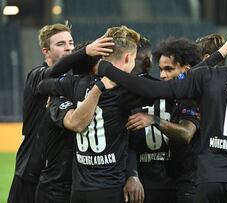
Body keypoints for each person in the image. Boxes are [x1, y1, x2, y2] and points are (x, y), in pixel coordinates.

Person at [97, 31, 227, 203]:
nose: (163, 74)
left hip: (209, 180)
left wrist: (107, 69)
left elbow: (154, 89)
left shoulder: (207, 77)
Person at [38, 25, 151, 203]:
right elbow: (160, 91)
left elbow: (43, 84)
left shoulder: (67, 89)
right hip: (101, 188)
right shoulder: (123, 90)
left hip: (75, 188)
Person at [34, 40, 112, 203]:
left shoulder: (61, 89)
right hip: (57, 188)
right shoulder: (60, 94)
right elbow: (76, 123)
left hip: (79, 185)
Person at [127, 38, 203, 203]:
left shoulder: (194, 98)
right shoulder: (169, 96)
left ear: (186, 70)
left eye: (168, 69)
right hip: (169, 182)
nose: (162, 75)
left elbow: (186, 134)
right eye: (160, 69)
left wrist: (154, 120)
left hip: (192, 184)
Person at [8, 22, 76, 203]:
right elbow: (53, 72)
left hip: (57, 178)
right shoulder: (36, 75)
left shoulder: (72, 81)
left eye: (71, 42)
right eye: (60, 44)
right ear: (45, 51)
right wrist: (84, 53)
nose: (69, 48)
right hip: (30, 174)